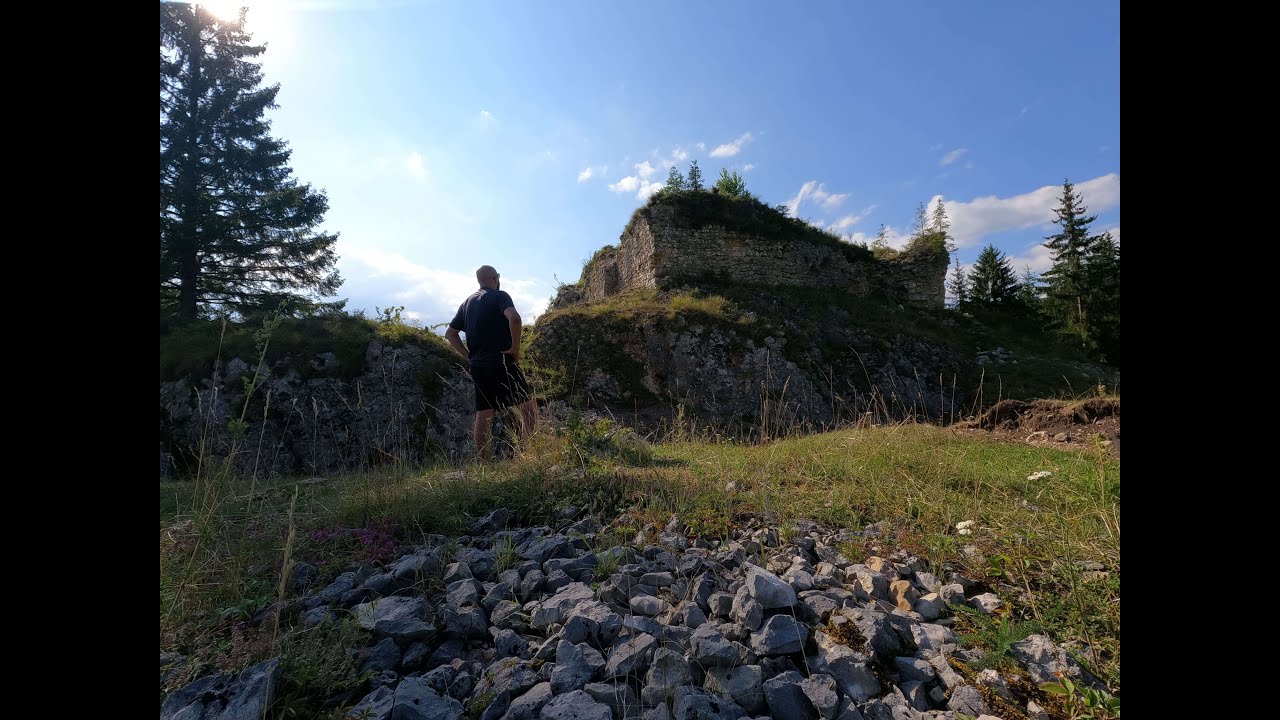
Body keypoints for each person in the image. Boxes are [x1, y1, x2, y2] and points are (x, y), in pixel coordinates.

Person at [445, 265, 537, 458]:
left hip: (478, 365)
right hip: (502, 360)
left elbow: (450, 334)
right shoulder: (500, 296)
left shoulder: (467, 303)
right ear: (495, 278)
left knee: (484, 412)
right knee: (527, 406)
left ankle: (483, 461)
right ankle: (532, 451)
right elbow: (515, 319)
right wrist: (516, 349)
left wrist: (468, 356)